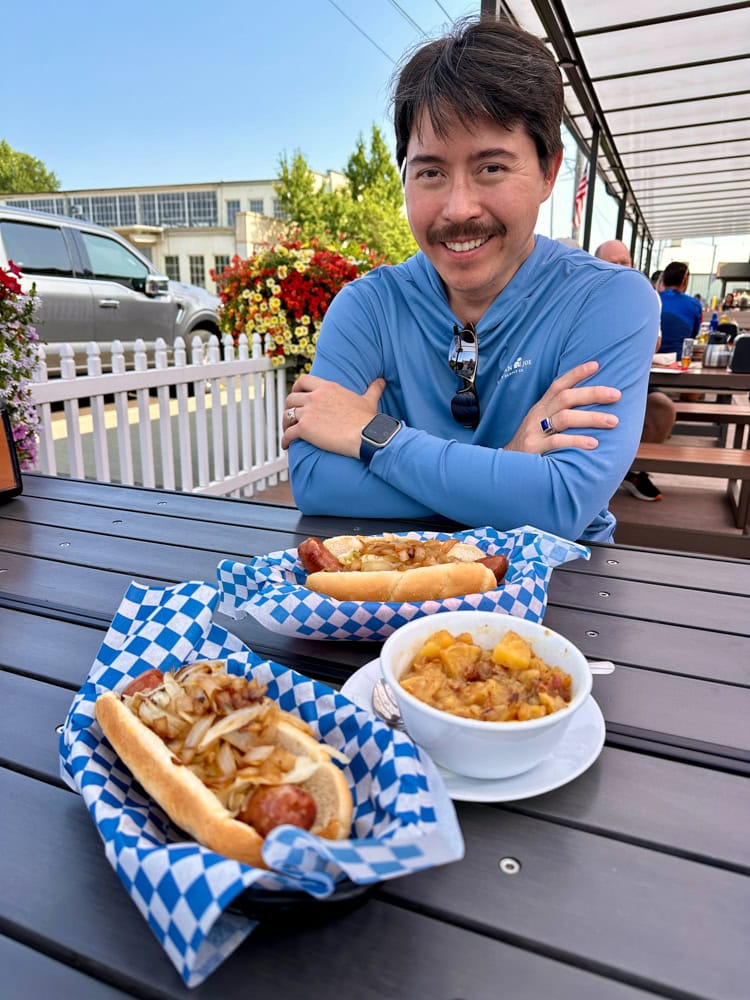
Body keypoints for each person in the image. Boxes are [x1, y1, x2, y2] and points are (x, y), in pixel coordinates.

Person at [281, 17, 659, 544]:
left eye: (491, 168)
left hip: (562, 595)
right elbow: (317, 484)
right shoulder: (366, 307)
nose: (458, 209)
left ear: (549, 172)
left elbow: (561, 503)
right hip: (388, 585)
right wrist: (507, 468)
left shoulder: (608, 298)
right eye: (431, 172)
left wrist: (373, 435)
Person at [594, 240, 675, 502]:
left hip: (630, 376)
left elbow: (654, 343)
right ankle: (591, 478)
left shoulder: (646, 296)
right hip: (587, 376)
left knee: (662, 407)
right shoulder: (585, 295)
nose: (619, 269)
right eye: (612, 263)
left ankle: (632, 471)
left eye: (624, 263)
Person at [658, 261, 702, 357]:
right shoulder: (694, 305)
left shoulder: (652, 299)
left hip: (648, 360)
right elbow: (692, 337)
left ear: (663, 279)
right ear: (685, 280)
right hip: (678, 360)